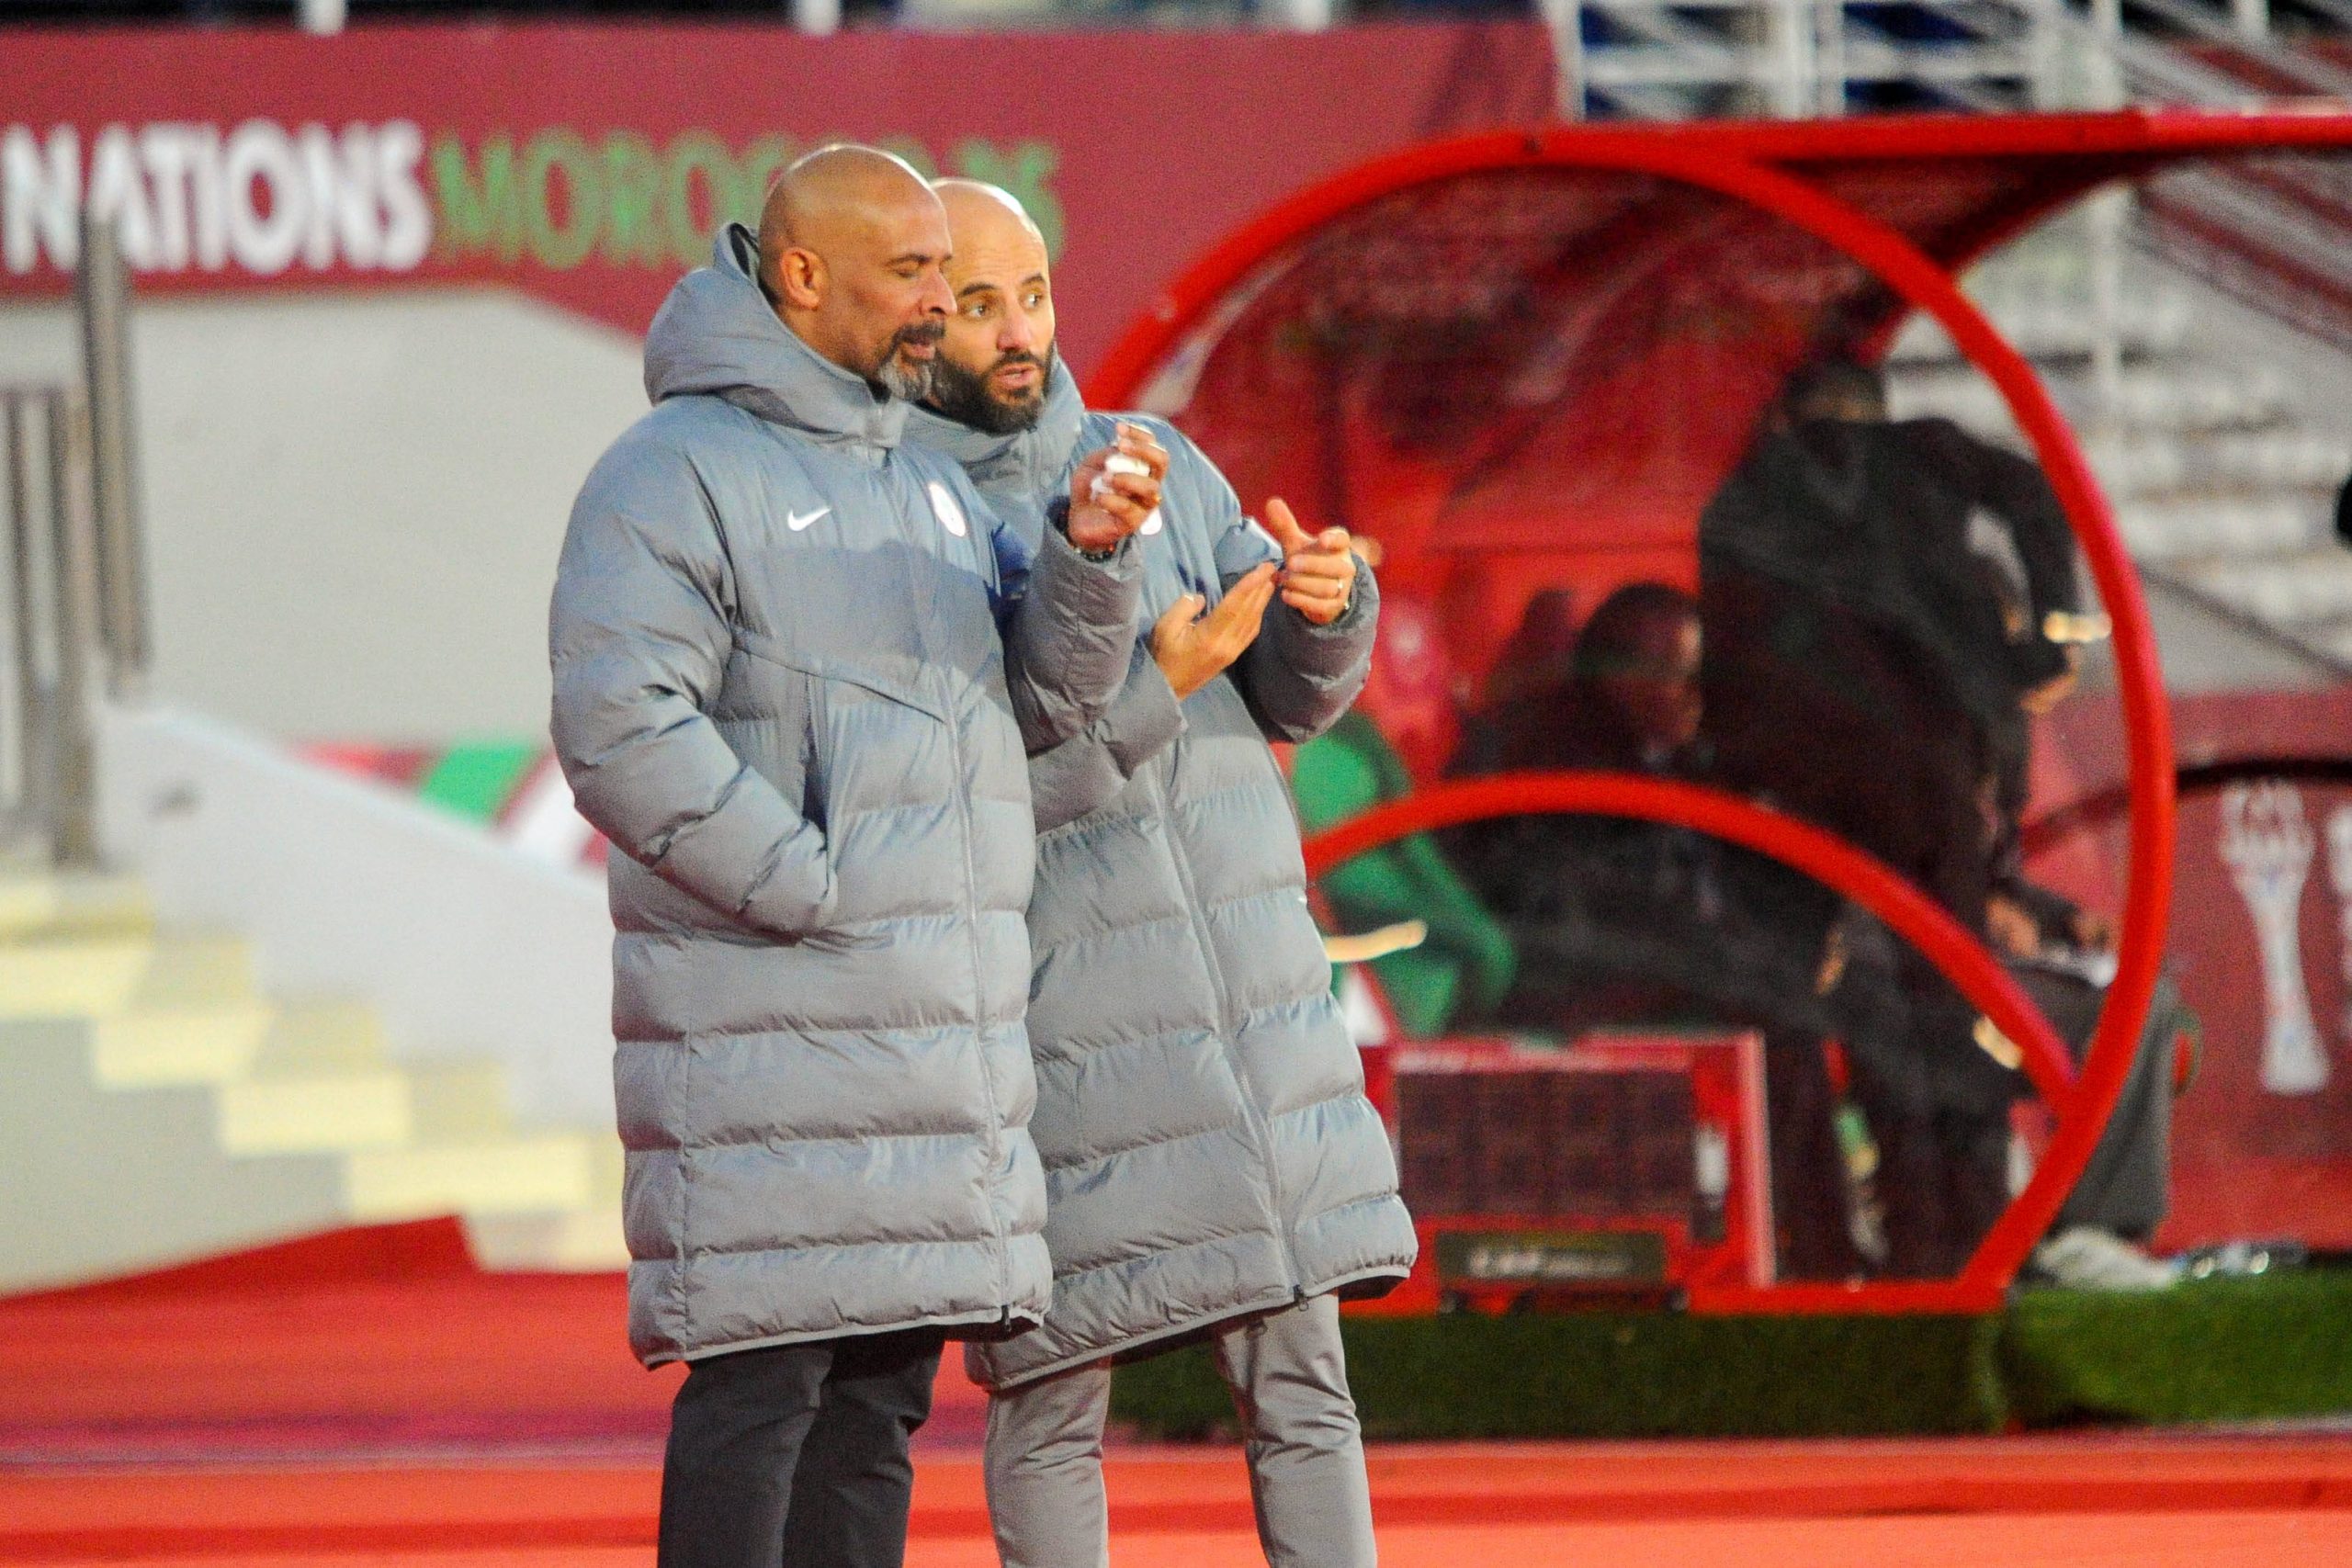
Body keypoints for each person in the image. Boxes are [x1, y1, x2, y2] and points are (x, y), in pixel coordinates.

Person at [548, 146, 1164, 1568]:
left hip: (922, 1044)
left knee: (877, 1401)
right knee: (765, 1387)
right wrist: (813, 883)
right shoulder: (670, 473)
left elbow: (1041, 704)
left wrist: (1084, 557)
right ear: (802, 273)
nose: (939, 307)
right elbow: (616, 721)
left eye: (948, 275)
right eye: (912, 274)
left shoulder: (924, 480)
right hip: (778, 1024)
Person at [904, 179, 1414, 1568]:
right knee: (1053, 1391)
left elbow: (1293, 699)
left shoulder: (1159, 457)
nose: (1019, 331)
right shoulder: (906, 514)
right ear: (915, 316)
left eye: (1035, 294)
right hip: (1064, 1034)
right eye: (978, 303)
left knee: (1308, 1388)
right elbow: (983, 791)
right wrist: (1153, 675)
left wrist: (1324, 606)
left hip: (1248, 1008)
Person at [1698, 357, 2087, 1277]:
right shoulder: (1926, 457)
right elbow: (2033, 493)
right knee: (1946, 1013)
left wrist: (1742, 776)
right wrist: (2052, 630)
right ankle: (1970, 1243)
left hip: (1795, 794)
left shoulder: (1744, 496)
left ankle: (1830, 1245)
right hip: (1920, 775)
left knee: (1808, 1021)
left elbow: (1732, 660)